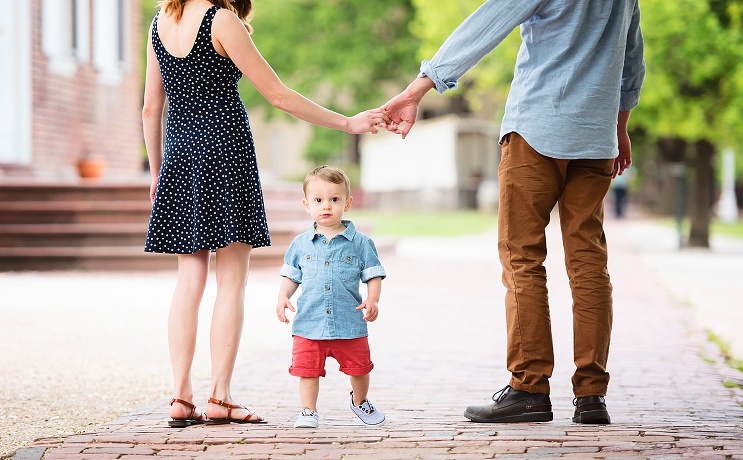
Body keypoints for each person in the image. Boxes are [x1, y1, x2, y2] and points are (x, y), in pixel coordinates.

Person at [382, 0, 645, 424]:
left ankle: (529, 388)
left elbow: (486, 24)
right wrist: (620, 125)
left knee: (523, 258)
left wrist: (417, 89)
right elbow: (633, 56)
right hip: (595, 137)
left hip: (537, 128)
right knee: (589, 263)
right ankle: (592, 395)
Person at [142, 0, 388, 427]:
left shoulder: (160, 22)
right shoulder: (221, 20)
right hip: (225, 152)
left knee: (189, 280)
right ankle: (220, 396)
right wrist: (348, 123)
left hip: (179, 157)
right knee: (231, 280)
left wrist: (157, 170)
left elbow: (150, 108)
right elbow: (277, 94)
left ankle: (180, 397)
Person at [276, 166, 386, 429]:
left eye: (334, 199)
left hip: (349, 322)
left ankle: (360, 401)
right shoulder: (301, 244)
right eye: (318, 200)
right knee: (307, 370)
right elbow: (291, 276)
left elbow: (373, 275)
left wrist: (373, 299)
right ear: (306, 204)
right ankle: (308, 411)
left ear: (347, 203)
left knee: (360, 368)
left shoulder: (361, 243)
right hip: (309, 323)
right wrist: (282, 296)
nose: (326, 206)